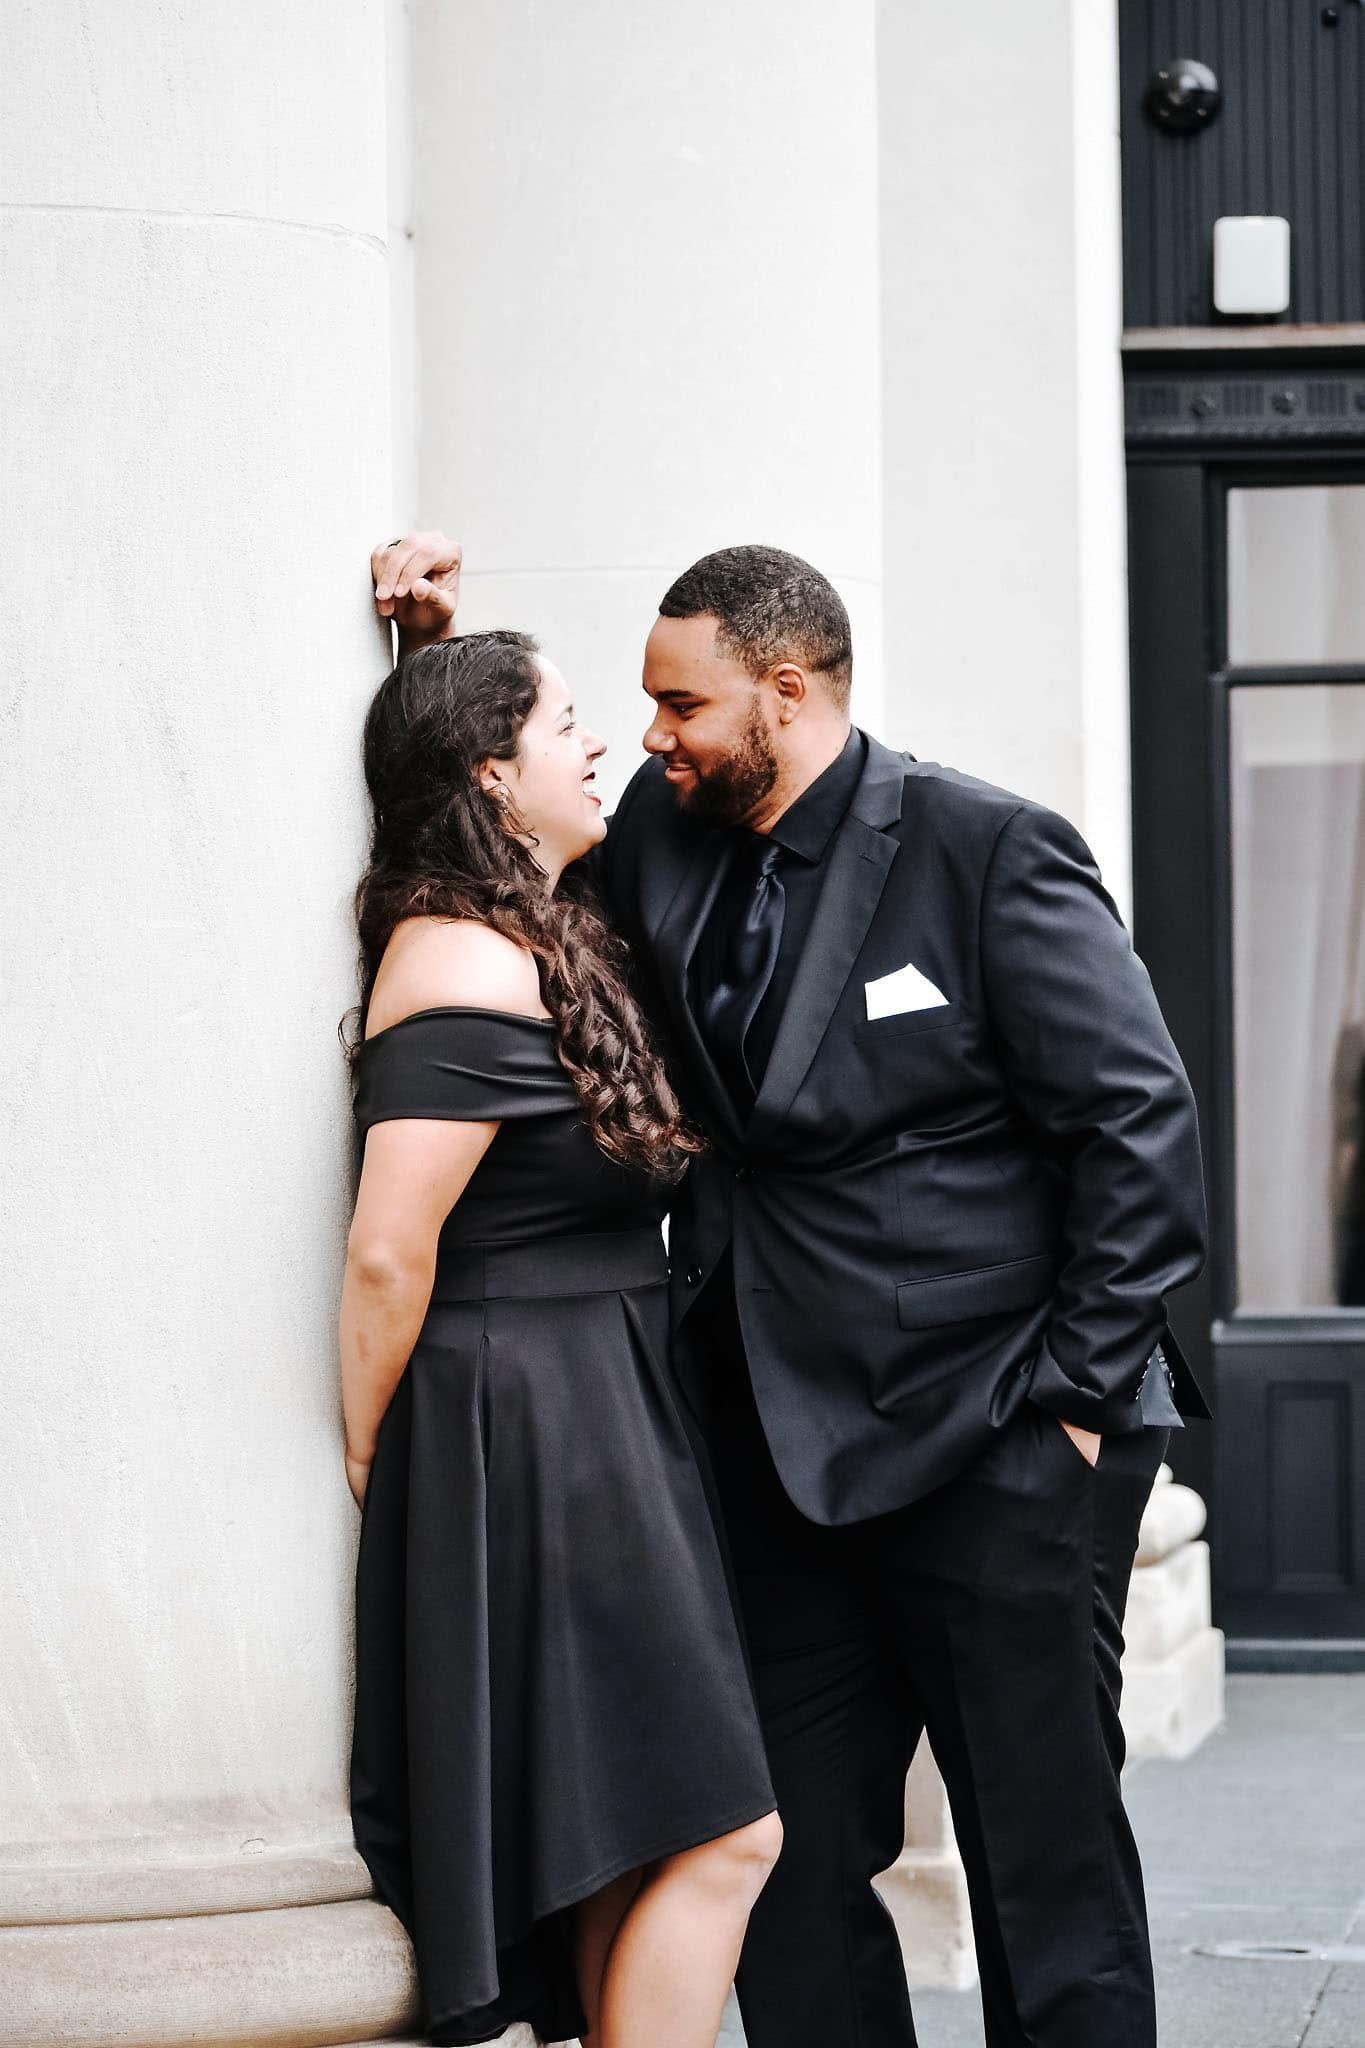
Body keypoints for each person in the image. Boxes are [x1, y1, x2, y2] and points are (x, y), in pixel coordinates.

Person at [374, 531, 1210, 2048]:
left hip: (994, 1440)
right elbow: (499, 813)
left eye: (680, 707)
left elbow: (1137, 1130)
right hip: (769, 1456)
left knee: (1046, 1869)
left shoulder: (985, 846)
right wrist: (432, 652)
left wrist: (1073, 1415)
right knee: (789, 1870)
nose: (651, 737)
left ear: (783, 690)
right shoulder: (664, 836)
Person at [338, 605, 780, 2047]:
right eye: (561, 724)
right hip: (529, 1415)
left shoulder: (533, 930)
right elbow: (391, 1254)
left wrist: (440, 630)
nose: (598, 747)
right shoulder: (458, 960)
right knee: (728, 1833)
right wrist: (373, 1452)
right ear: (485, 772)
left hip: (596, 1398)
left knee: (625, 1839)